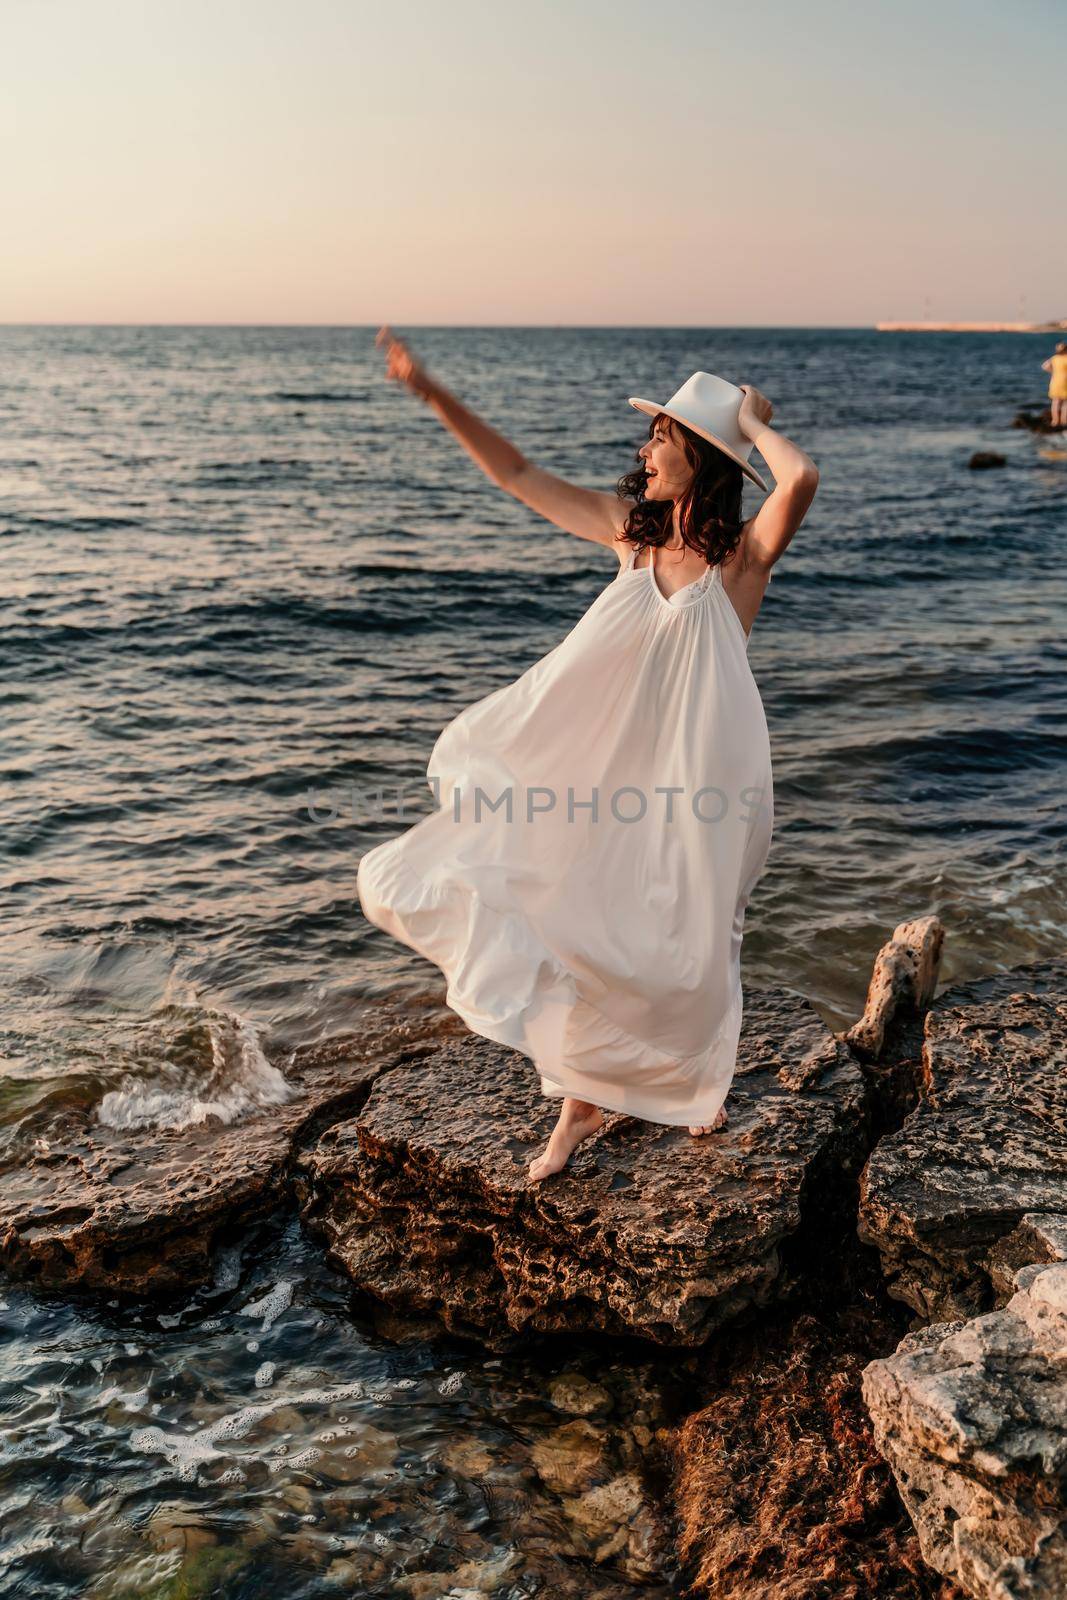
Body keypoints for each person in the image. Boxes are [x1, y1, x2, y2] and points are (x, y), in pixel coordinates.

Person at [357, 328, 819, 1182]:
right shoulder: (629, 536)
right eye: (650, 437)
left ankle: (691, 1085)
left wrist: (750, 424)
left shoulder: (742, 559)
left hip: (701, 777)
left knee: (692, 937)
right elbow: (519, 476)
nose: (645, 449)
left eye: (662, 437)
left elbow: (800, 479)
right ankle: (575, 1112)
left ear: (700, 456)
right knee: (583, 926)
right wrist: (432, 392)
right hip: (601, 774)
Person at [1041, 341, 1067, 429]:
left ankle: (1055, 421)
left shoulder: (1054, 358)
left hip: (1055, 381)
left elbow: (1044, 366)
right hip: (1065, 381)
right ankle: (1064, 421)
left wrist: (1053, 371)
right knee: (1065, 403)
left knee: (1055, 402)